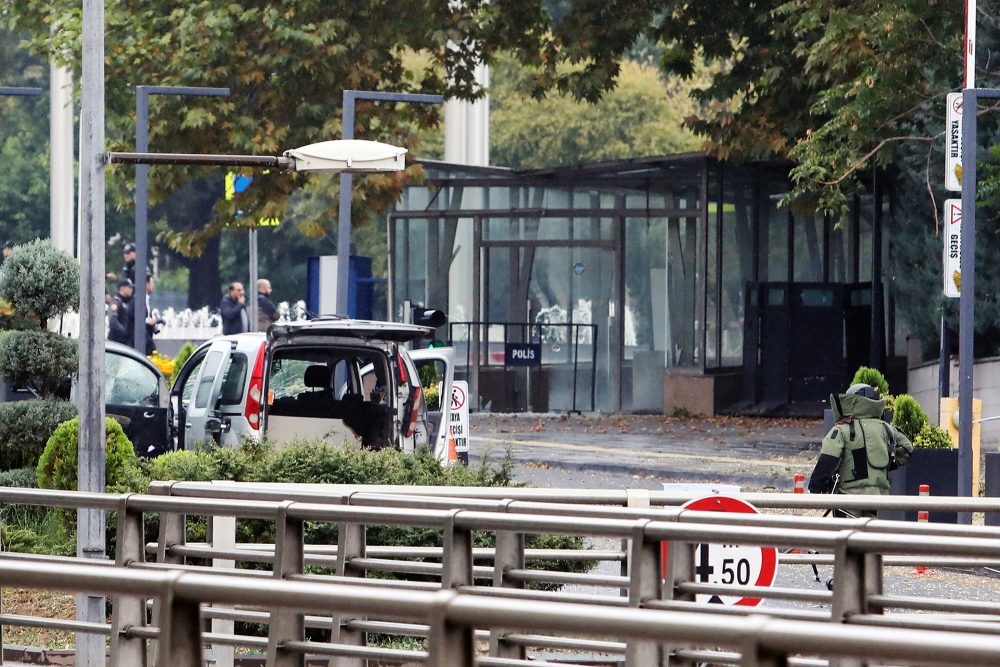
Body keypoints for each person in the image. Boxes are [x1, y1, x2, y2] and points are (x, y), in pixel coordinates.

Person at [808, 383, 914, 518]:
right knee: (870, 535)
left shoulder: (842, 430)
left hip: (848, 499)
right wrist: (885, 462)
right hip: (877, 498)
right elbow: (907, 447)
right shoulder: (886, 428)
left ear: (851, 402)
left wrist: (816, 488)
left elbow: (827, 460)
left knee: (846, 536)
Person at [107, 278, 135, 346]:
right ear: (122, 288)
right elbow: (113, 320)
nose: (132, 289)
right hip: (117, 342)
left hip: (126, 342)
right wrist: (124, 332)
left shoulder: (129, 302)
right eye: (130, 287)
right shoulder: (116, 301)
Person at [143, 273, 163, 355]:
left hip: (147, 337)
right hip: (143, 338)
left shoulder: (146, 299)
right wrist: (147, 321)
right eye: (152, 283)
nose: (153, 286)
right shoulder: (139, 299)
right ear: (147, 284)